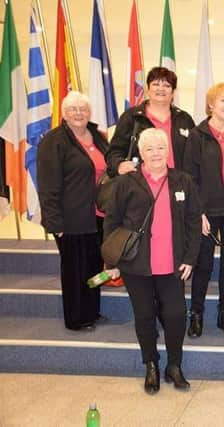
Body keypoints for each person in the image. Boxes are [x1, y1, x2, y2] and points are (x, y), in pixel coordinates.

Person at [104, 128, 201, 394]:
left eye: (160, 147)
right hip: (137, 265)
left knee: (176, 315)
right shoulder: (125, 183)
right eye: (149, 149)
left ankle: (174, 366)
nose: (156, 153)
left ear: (168, 150)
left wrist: (190, 258)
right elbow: (111, 222)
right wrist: (111, 260)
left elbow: (194, 222)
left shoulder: (183, 181)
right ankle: (151, 365)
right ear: (140, 153)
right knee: (144, 316)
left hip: (173, 265)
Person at [37, 91, 108, 331]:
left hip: (99, 216)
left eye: (83, 109)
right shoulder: (54, 141)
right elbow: (47, 186)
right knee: (74, 269)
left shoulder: (97, 136)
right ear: (64, 113)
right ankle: (77, 318)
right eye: (73, 109)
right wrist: (54, 223)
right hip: (71, 219)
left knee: (93, 266)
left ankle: (92, 312)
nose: (79, 113)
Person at [183, 83, 224, 338]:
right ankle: (196, 314)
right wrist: (197, 213)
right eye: (223, 101)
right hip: (205, 212)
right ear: (211, 104)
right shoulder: (197, 135)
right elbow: (190, 177)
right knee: (203, 265)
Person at [105, 67, 195, 176]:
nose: (161, 89)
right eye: (156, 84)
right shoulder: (131, 117)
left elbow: (195, 155)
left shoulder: (184, 119)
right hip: (140, 186)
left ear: (173, 93)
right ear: (148, 89)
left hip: (178, 185)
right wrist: (119, 164)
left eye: (167, 85)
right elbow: (114, 152)